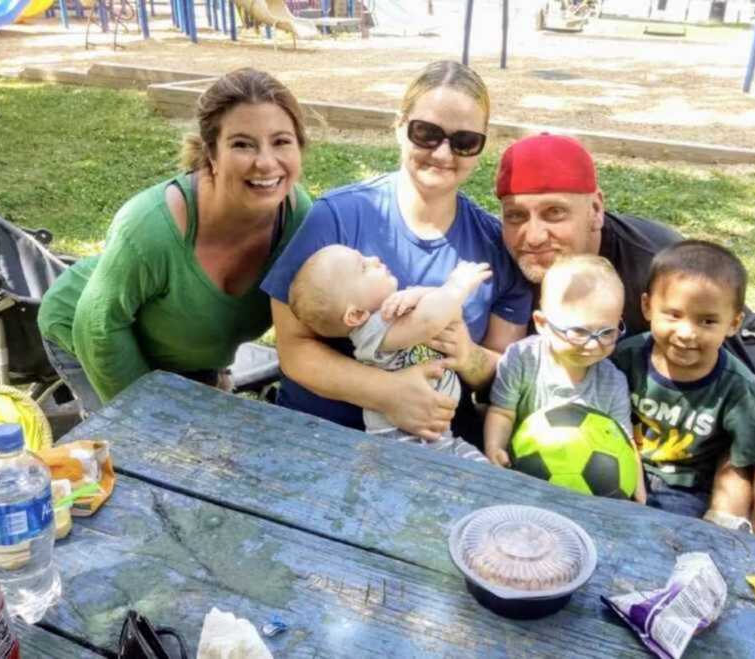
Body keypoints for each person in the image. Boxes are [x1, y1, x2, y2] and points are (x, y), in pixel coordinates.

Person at [494, 133, 755, 526]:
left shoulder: (652, 267)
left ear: (595, 208)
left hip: (716, 332)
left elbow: (720, 364)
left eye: (555, 213)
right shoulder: (501, 256)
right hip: (614, 378)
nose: (533, 236)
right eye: (516, 215)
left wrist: (732, 487)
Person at [262, 60, 532, 442]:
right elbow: (294, 348)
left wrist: (466, 354)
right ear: (399, 126)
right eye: (426, 133)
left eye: (464, 141)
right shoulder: (337, 217)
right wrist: (387, 393)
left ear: (481, 146)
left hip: (438, 451)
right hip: (322, 438)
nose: (442, 153)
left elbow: (505, 370)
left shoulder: (494, 247)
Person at [38, 68, 312, 412]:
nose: (265, 162)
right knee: (138, 453)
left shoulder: (299, 219)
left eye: (281, 141)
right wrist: (147, 423)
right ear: (210, 152)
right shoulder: (149, 225)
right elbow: (98, 326)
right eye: (242, 144)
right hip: (90, 328)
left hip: (185, 351)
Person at [613, 241, 755, 535]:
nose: (687, 333)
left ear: (733, 323)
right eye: (673, 315)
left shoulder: (737, 387)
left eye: (707, 321)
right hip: (622, 470)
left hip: (688, 491)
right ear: (647, 306)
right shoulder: (625, 358)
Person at [288, 244, 491, 461]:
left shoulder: (393, 313)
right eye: (364, 267)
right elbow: (429, 320)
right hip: (402, 444)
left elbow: (443, 309)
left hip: (438, 437)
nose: (374, 258)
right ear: (356, 315)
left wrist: (418, 293)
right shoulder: (371, 332)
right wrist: (457, 285)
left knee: (488, 477)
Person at [484, 255, 646, 502]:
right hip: (524, 479)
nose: (593, 344)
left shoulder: (612, 382)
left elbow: (624, 441)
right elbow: (502, 412)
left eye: (607, 332)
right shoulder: (522, 359)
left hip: (588, 496)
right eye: (579, 332)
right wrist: (494, 448)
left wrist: (637, 489)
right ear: (541, 323)